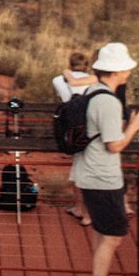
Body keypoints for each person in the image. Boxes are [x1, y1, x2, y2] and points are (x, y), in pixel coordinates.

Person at [72, 42, 139, 276]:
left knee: (102, 232)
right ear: (118, 71)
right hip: (102, 177)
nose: (129, 71)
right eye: (126, 67)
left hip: (90, 173)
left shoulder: (94, 92)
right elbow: (114, 145)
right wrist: (134, 127)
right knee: (114, 234)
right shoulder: (108, 101)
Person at [55, 52, 98, 227]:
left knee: (79, 168)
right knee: (85, 168)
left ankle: (81, 208)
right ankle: (85, 211)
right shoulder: (93, 80)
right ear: (87, 64)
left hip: (71, 129)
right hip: (90, 128)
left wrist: (66, 73)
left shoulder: (59, 80)